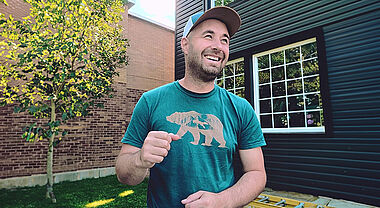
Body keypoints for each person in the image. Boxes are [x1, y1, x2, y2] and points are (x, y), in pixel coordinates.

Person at [116, 6, 266, 208]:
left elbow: (256, 173)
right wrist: (140, 159)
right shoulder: (151, 101)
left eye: (225, 40)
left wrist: (222, 201)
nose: (218, 46)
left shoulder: (241, 108)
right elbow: (124, 175)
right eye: (208, 36)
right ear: (185, 45)